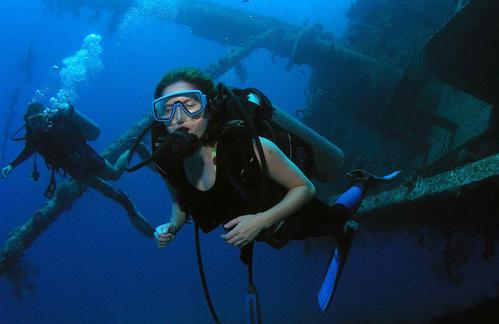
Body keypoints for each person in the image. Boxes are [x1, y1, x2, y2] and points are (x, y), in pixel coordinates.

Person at [151, 67, 376, 249]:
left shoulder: (251, 148)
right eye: (167, 109)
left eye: (190, 105)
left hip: (291, 212)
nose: (179, 118)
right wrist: (171, 226)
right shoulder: (169, 162)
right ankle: (342, 229)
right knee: (324, 230)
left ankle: (361, 183)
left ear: (210, 108)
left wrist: (261, 221)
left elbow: (305, 188)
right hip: (262, 231)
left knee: (335, 218)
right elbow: (179, 201)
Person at [1, 102, 154, 238]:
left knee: (114, 175)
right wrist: (11, 165)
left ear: (45, 116)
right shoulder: (32, 137)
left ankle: (135, 147)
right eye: (33, 120)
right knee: (97, 186)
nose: (37, 124)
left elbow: (79, 139)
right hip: (71, 168)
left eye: (39, 118)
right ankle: (124, 201)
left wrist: (80, 156)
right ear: (28, 122)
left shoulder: (57, 125)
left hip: (86, 158)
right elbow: (27, 151)